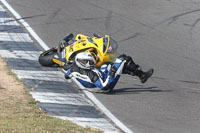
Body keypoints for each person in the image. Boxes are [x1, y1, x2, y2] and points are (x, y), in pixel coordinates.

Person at [65, 52, 154, 93]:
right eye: (88, 62)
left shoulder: (74, 68)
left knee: (106, 64)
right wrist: (112, 73)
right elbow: (104, 86)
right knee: (123, 58)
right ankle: (142, 75)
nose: (91, 63)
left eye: (91, 61)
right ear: (81, 62)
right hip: (105, 87)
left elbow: (67, 75)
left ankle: (128, 70)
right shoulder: (92, 75)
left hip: (94, 86)